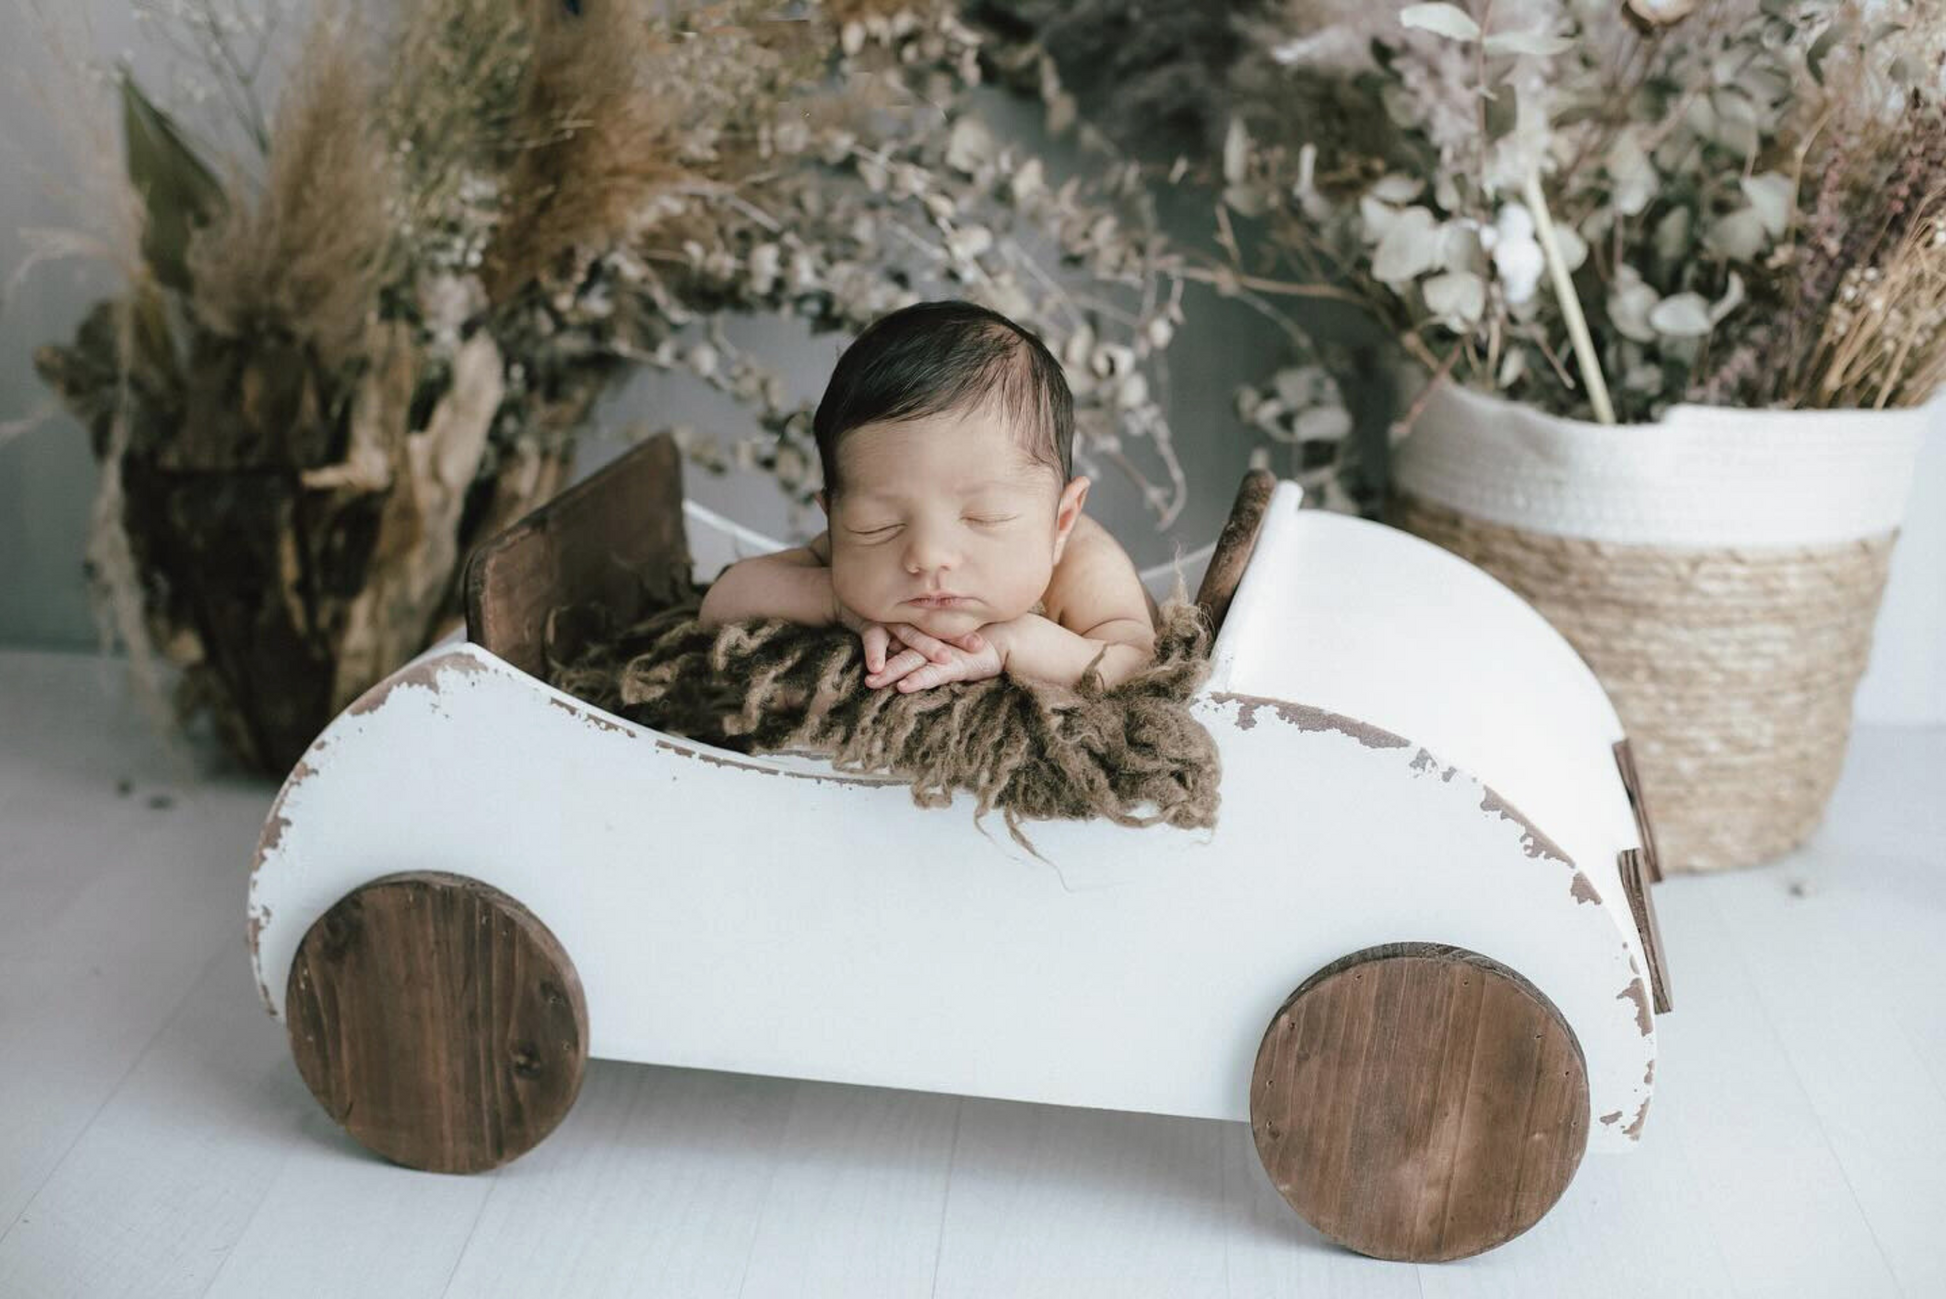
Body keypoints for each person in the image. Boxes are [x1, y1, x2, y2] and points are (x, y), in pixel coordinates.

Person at [697, 298, 1159, 692]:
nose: (927, 555)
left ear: (1060, 522)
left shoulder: (1082, 564)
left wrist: (1013, 642)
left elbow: (1138, 663)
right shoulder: (850, 565)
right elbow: (722, 603)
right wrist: (837, 604)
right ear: (834, 522)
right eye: (880, 525)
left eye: (985, 517)